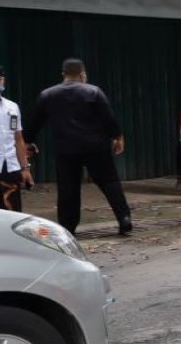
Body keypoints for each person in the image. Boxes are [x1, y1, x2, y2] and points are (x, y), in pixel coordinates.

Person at [23, 58, 132, 235]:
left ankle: (68, 227)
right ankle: (124, 218)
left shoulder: (48, 95)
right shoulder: (94, 92)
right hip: (96, 146)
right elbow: (109, 118)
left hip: (66, 149)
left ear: (63, 75)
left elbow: (35, 123)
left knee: (68, 188)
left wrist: (27, 141)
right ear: (82, 74)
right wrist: (118, 136)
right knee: (109, 182)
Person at [0, 66, 35, 212]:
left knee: (12, 212)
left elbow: (18, 139)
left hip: (10, 167)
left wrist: (25, 168)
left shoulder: (12, 107)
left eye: (0, 80)